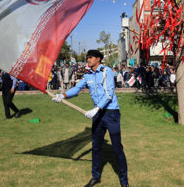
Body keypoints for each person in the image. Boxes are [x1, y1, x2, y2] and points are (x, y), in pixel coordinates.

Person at [52, 50, 129, 187]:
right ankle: (96, 177)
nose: (88, 60)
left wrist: (96, 108)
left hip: (111, 113)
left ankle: (124, 182)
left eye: (90, 57)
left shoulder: (107, 71)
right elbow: (76, 89)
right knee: (96, 147)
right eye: (87, 57)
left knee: (117, 148)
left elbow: (109, 93)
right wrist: (62, 96)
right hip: (97, 114)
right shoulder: (87, 75)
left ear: (98, 59)